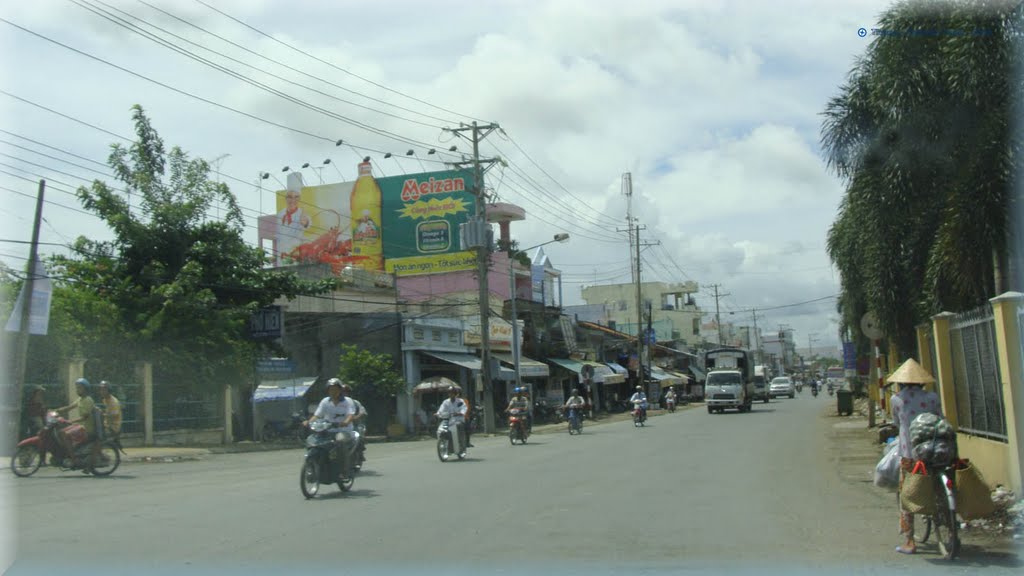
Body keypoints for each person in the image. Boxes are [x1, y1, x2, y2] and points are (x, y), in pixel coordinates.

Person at [888, 359, 943, 555]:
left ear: (901, 382)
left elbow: (896, 421)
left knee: (907, 494)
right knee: (937, 483)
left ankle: (910, 541)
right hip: (935, 450)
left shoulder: (896, 400)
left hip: (910, 454)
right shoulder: (933, 398)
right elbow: (940, 418)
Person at [304, 378, 356, 478]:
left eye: (335, 389)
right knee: (311, 440)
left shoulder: (347, 401)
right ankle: (311, 465)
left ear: (340, 390)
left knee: (340, 441)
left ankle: (345, 469)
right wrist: (309, 422)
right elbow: (317, 415)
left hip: (343, 431)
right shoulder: (325, 401)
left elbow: (351, 414)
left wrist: (345, 422)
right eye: (331, 389)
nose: (333, 391)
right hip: (327, 430)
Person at [54, 378, 98, 468]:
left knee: (65, 435)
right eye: (77, 388)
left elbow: (84, 417)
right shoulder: (80, 399)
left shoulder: (88, 400)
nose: (77, 390)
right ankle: (68, 452)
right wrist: (56, 410)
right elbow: (69, 407)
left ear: (85, 389)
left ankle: (74, 459)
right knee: (61, 432)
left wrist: (71, 421)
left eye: (80, 388)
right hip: (82, 426)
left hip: (87, 429)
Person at [276, 171, 311, 265]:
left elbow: (307, 224)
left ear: (299, 199)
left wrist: (305, 223)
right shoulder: (280, 214)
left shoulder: (302, 213)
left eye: (296, 197)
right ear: (286, 198)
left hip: (296, 252)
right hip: (282, 252)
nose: (293, 200)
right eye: (290, 197)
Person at [435, 386, 468, 456]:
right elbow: (441, 410)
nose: (450, 394)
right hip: (448, 420)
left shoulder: (460, 401)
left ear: (455, 393)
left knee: (459, 426)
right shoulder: (445, 402)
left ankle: (461, 447)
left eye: (452, 393)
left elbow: (464, 408)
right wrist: (437, 414)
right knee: (442, 429)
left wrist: (460, 413)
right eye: (449, 393)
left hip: (458, 420)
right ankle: (448, 446)